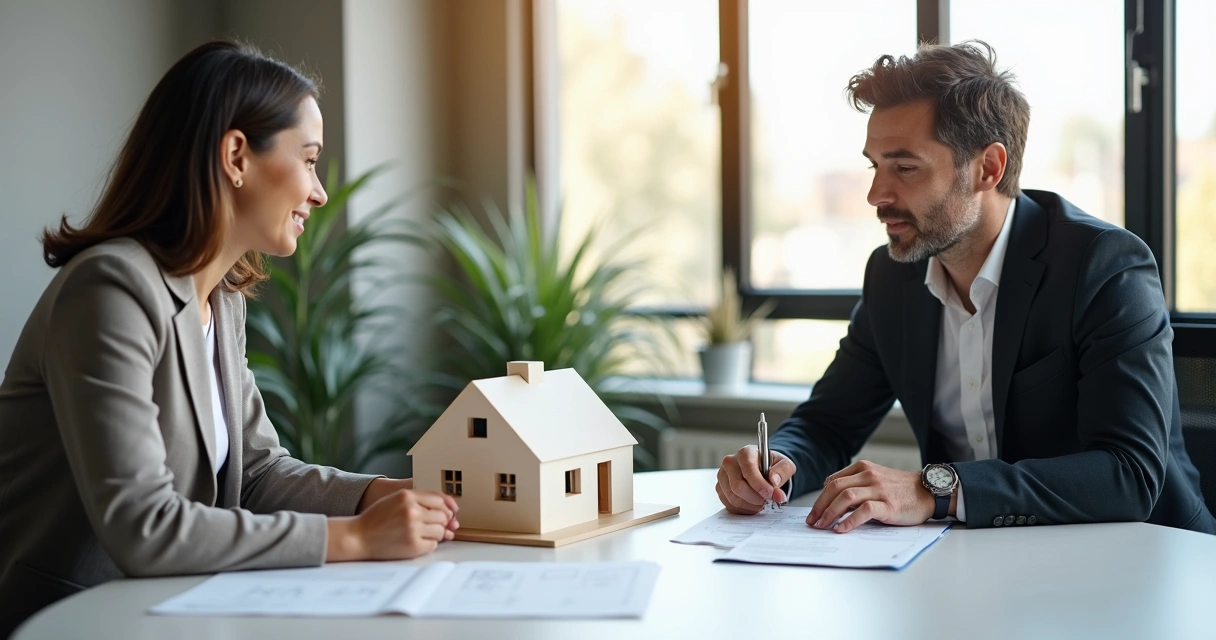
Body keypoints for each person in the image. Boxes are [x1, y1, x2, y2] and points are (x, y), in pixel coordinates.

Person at [0, 41, 459, 635]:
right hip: (69, 621)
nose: (319, 193)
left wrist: (375, 496)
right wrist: (354, 537)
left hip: (167, 614)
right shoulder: (109, 288)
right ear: (237, 155)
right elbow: (144, 525)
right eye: (310, 159)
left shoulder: (221, 296)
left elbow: (259, 473)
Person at [716, 41, 1215, 537]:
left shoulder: (1103, 267)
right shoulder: (893, 277)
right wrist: (777, 464)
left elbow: (1128, 474)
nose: (875, 195)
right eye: (875, 166)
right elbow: (828, 423)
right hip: (985, 565)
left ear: (988, 168)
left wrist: (936, 490)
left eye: (905, 168)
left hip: (1144, 561)